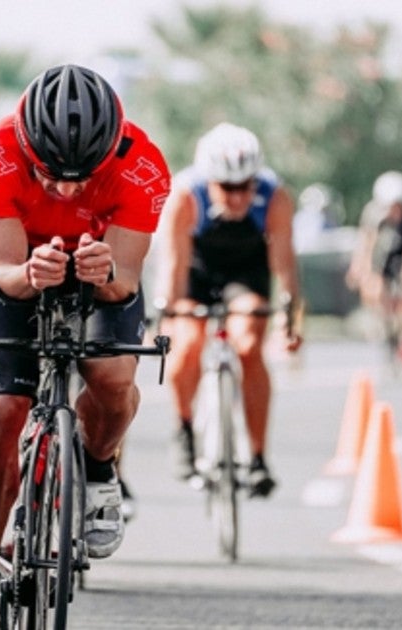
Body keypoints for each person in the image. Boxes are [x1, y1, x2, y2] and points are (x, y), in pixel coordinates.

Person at [0, 64, 170, 629]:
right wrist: (30, 271)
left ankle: (98, 470)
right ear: (25, 147)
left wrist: (107, 268)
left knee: (113, 378)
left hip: (102, 261)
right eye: (51, 175)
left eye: (83, 176)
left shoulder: (143, 166)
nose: (68, 189)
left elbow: (124, 283)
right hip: (22, 263)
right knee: (0, 409)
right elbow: (3, 275)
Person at [156, 122, 302, 499]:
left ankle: (256, 458)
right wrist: (166, 315)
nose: (238, 198)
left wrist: (290, 319)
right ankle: (184, 428)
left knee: (249, 344)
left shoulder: (275, 196)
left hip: (245, 272)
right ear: (209, 181)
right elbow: (173, 262)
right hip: (198, 271)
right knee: (187, 343)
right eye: (228, 188)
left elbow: (284, 264)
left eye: (246, 186)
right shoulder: (186, 194)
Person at [345, 171, 402, 357]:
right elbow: (366, 244)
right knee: (377, 290)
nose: (396, 211)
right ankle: (385, 324)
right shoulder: (374, 217)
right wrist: (359, 269)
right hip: (381, 259)